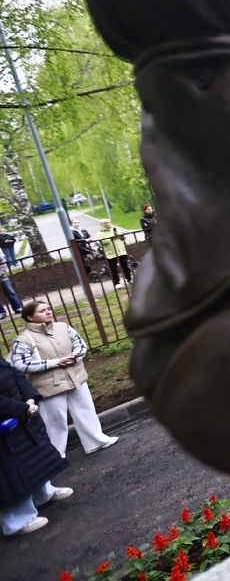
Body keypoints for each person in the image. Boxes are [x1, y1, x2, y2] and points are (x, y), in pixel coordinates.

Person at [9, 300, 119, 457]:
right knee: (55, 422)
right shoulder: (24, 339)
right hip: (49, 385)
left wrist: (75, 356)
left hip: (75, 377)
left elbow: (80, 344)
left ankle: (95, 441)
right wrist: (55, 363)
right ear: (30, 318)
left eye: (48, 308)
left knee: (86, 410)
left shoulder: (63, 327)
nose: (48, 312)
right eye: (42, 311)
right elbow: (21, 364)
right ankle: (56, 455)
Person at [0, 353, 73, 536]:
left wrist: (29, 399)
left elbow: (14, 373)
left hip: (20, 414)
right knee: (10, 472)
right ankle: (17, 521)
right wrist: (22, 408)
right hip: (5, 424)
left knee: (34, 457)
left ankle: (43, 494)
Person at [95, 219, 133, 289]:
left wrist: (119, 235)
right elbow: (101, 242)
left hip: (121, 251)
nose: (108, 224)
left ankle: (129, 279)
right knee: (113, 269)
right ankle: (117, 283)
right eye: (105, 223)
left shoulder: (115, 229)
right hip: (111, 253)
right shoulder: (100, 233)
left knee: (125, 266)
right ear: (101, 225)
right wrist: (111, 238)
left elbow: (124, 237)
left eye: (108, 222)